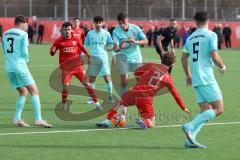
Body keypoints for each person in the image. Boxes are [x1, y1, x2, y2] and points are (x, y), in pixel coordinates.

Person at [96, 52, 190, 128]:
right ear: (172, 64)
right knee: (153, 124)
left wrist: (142, 81)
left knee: (119, 102)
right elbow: (175, 94)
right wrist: (183, 107)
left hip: (135, 91)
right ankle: (146, 122)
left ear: (162, 59)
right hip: (146, 97)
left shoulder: (151, 65)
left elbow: (137, 72)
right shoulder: (168, 78)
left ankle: (107, 121)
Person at [181, 11, 226, 148]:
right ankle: (190, 126)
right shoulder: (211, 35)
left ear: (195, 21)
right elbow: (214, 55)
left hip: (195, 78)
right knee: (219, 109)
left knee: (206, 109)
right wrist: (222, 66)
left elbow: (183, 57)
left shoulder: (190, 37)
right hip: (206, 76)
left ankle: (191, 139)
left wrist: (188, 75)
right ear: (208, 20)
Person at [1, 15, 52, 128]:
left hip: (9, 67)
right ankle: (38, 119)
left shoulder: (5, 34)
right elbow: (25, 52)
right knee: (34, 91)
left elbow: (4, 50)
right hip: (20, 66)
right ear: (22, 23)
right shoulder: (23, 34)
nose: (27, 26)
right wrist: (25, 61)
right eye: (26, 23)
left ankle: (17, 118)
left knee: (23, 91)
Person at [50, 22, 102, 110]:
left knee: (87, 84)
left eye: (69, 29)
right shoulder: (58, 41)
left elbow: (83, 48)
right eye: (65, 29)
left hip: (77, 67)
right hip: (66, 69)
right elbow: (52, 52)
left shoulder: (76, 39)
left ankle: (97, 103)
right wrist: (52, 50)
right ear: (62, 30)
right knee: (66, 86)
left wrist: (89, 57)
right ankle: (64, 103)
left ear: (71, 30)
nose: (67, 31)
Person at [112, 12, 148, 113]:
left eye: (123, 22)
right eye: (120, 24)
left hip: (136, 58)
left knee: (140, 81)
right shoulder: (115, 31)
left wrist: (136, 42)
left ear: (127, 20)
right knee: (124, 82)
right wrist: (119, 46)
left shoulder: (135, 28)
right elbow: (115, 49)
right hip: (123, 58)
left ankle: (143, 105)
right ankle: (124, 106)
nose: (122, 25)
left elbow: (146, 41)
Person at [84, 16, 114, 104]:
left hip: (103, 59)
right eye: (96, 23)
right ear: (94, 23)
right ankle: (93, 98)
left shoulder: (106, 34)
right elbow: (85, 45)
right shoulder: (90, 34)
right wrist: (83, 55)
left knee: (107, 78)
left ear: (102, 23)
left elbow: (111, 44)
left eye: (99, 22)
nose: (98, 24)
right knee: (92, 79)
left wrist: (110, 50)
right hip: (93, 59)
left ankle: (110, 96)